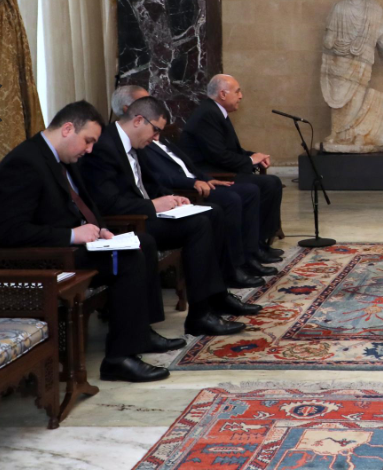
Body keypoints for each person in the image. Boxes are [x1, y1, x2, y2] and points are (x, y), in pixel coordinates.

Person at [0, 101, 178, 382]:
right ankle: (119, 359)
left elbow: (86, 204)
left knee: (142, 242)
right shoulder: (25, 162)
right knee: (128, 259)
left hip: (72, 247)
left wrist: (102, 229)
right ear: (68, 129)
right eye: (88, 141)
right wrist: (72, 235)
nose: (90, 149)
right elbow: (10, 231)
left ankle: (141, 333)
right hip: (48, 257)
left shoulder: (63, 158)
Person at [79, 96, 257, 337]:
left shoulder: (134, 143)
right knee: (198, 225)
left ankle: (218, 296)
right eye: (155, 130)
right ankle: (200, 315)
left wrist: (172, 198)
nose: (156, 138)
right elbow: (107, 203)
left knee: (213, 213)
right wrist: (153, 205)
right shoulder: (104, 147)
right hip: (128, 223)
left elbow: (150, 183)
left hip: (145, 214)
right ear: (138, 121)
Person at [111, 86, 275, 281]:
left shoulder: (151, 135)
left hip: (185, 187)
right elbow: (157, 177)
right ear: (131, 112)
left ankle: (249, 254)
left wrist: (204, 179)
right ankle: (232, 268)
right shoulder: (134, 142)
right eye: (145, 104)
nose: (153, 106)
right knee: (226, 203)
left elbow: (184, 164)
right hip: (171, 196)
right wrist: (186, 187)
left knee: (253, 189)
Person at [177, 74, 284, 258]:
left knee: (272, 183)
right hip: (213, 174)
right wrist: (250, 161)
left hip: (221, 168)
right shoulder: (208, 114)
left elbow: (231, 150)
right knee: (267, 184)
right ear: (223, 94)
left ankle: (260, 242)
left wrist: (253, 156)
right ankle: (253, 247)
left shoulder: (216, 111)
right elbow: (217, 155)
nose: (241, 96)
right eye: (237, 91)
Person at [321, 0, 383, 152]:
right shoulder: (340, 7)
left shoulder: (374, 8)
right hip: (340, 57)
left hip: (363, 56)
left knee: (357, 95)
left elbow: (381, 32)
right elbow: (330, 32)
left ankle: (353, 133)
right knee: (337, 95)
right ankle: (336, 133)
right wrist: (329, 41)